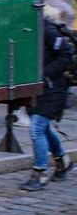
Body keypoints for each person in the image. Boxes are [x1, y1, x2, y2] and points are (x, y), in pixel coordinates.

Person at [20, 14, 74, 191]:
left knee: (36, 127)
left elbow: (66, 55)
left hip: (54, 88)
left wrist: (44, 74)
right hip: (38, 88)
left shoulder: (48, 30)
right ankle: (62, 160)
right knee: (43, 127)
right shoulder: (25, 29)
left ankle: (39, 173)